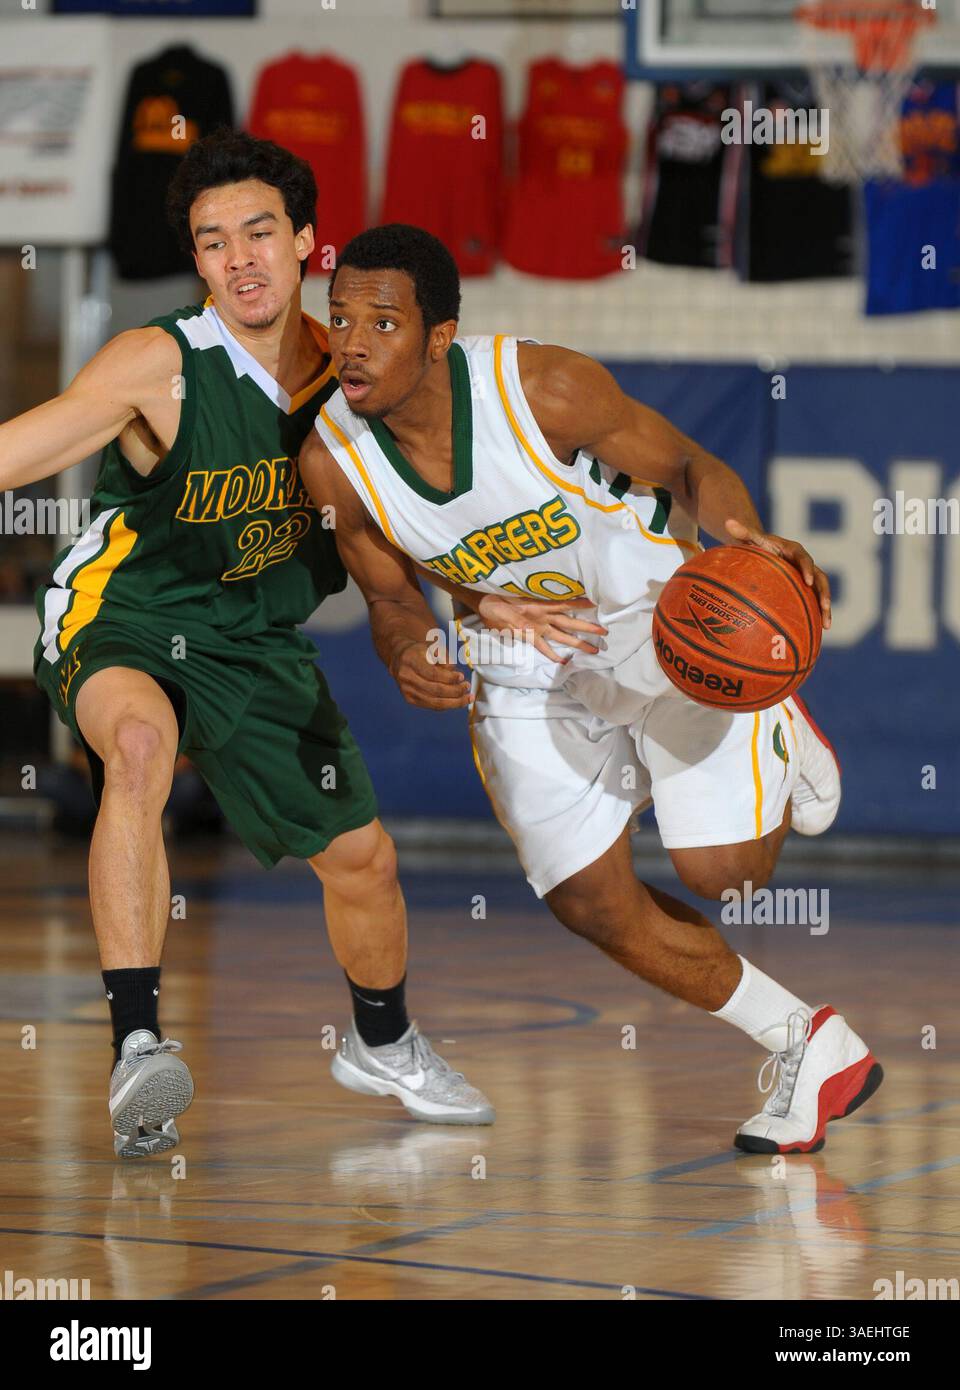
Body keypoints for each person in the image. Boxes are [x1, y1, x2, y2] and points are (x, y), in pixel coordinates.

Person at [299, 223, 883, 1156]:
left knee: (725, 877)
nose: (354, 341)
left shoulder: (540, 388)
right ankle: (808, 1045)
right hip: (519, 656)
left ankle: (770, 706)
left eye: (382, 321)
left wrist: (742, 537)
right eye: (339, 318)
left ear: (439, 336)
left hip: (658, 622)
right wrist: (409, 650)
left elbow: (692, 465)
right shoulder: (332, 460)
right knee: (587, 899)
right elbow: (387, 596)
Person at [2, 137, 492, 1159]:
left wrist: (487, 609)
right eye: (213, 242)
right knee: (137, 749)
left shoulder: (355, 383)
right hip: (124, 610)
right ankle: (139, 1042)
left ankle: (385, 1042)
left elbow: (410, 534)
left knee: (364, 860)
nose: (239, 259)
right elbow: (21, 450)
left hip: (254, 638)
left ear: (310, 242)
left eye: (259, 232)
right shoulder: (159, 361)